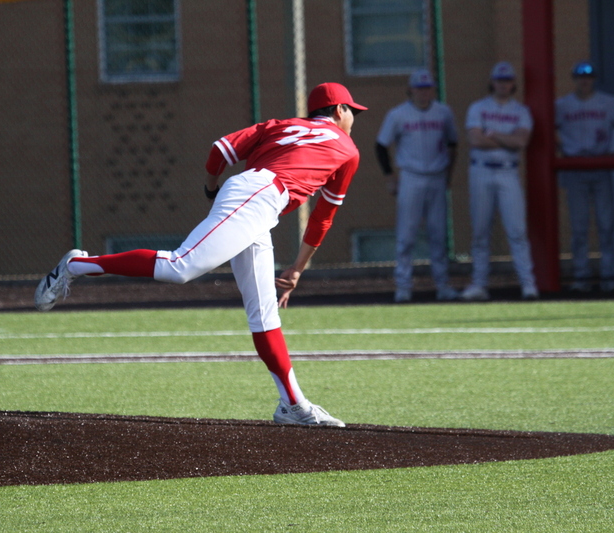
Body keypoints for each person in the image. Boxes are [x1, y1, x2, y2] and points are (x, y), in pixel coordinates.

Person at [35, 82, 367, 427]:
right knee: (180, 267)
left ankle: (293, 405)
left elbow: (221, 150)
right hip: (260, 197)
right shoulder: (347, 149)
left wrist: (211, 188)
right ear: (339, 110)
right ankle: (76, 265)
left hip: (256, 197)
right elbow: (323, 217)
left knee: (264, 314)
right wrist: (297, 267)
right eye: (352, 111)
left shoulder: (281, 125)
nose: (353, 118)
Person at [375, 68, 459, 303]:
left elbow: (453, 144)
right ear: (410, 90)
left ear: (433, 90)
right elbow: (381, 145)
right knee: (406, 235)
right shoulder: (398, 114)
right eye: (419, 88)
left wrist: (449, 175)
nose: (424, 92)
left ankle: (443, 285)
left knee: (438, 234)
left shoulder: (443, 112)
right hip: (410, 177)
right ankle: (403, 286)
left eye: (428, 88)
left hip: (437, 176)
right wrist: (390, 177)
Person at [461, 61, 538, 301]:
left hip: (508, 171)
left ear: (513, 84)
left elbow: (521, 142)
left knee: (517, 231)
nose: (503, 85)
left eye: (507, 81)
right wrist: (507, 139)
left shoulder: (521, 111)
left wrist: (493, 134)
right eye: (499, 80)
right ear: (492, 82)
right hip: (481, 170)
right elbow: (476, 140)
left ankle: (528, 284)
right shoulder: (478, 107)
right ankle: (479, 284)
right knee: (480, 231)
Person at [555, 61, 614, 292]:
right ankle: (582, 277)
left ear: (594, 79)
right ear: (574, 79)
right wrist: (562, 148)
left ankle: (608, 277)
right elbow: (551, 129)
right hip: (575, 167)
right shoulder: (562, 104)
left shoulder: (608, 102)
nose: (584, 81)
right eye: (580, 77)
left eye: (588, 77)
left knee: (606, 224)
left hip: (600, 165)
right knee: (579, 227)